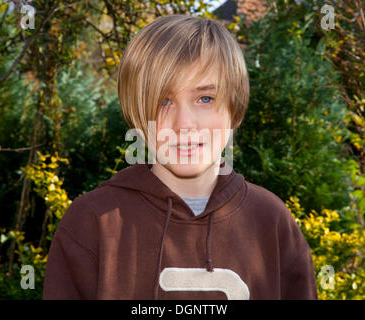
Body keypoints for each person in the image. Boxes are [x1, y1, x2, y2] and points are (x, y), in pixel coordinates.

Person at [42, 14, 318, 300]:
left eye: (205, 99)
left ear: (235, 109)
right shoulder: (91, 224)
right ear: (137, 113)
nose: (184, 123)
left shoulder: (271, 222)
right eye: (164, 101)